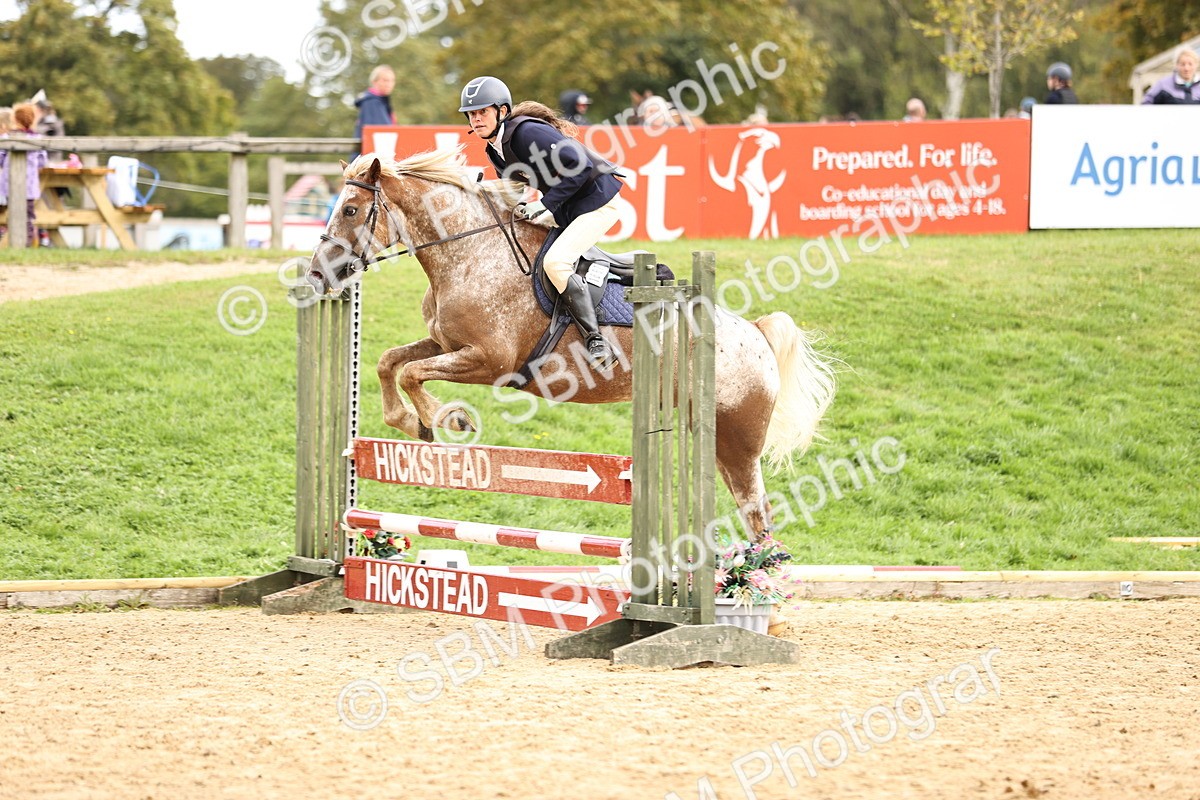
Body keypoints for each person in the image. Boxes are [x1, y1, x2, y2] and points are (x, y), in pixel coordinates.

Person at [459, 75, 623, 370]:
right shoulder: (494, 149)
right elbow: (511, 192)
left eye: (482, 111)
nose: (476, 119)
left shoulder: (527, 133)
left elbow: (581, 166)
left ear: (503, 111)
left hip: (598, 201)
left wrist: (544, 204)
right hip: (568, 207)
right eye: (471, 114)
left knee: (556, 262)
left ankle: (595, 339)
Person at [0, 103, 48, 247]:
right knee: (27, 217)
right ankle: (24, 244)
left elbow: (0, 157)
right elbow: (42, 160)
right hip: (29, 187)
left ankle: (9, 243)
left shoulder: (8, 138)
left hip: (9, 185)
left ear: (15, 120)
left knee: (8, 215)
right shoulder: (38, 139)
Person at [354, 65, 397, 142]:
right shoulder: (371, 102)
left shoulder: (382, 102)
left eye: (392, 80)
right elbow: (380, 133)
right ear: (374, 82)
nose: (389, 84)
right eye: (385, 80)